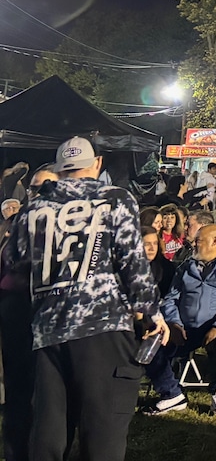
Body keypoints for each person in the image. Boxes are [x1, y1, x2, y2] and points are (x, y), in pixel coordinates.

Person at [10, 138, 166, 461]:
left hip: (48, 332)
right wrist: (150, 313)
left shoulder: (34, 208)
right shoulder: (115, 200)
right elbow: (133, 263)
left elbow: (13, 260)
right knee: (103, 435)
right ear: (97, 164)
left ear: (57, 169)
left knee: (49, 435)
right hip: (103, 328)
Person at [145, 224, 216, 415]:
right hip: (188, 325)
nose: (193, 244)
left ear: (215, 241)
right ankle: (171, 394)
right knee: (152, 342)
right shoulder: (187, 266)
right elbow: (171, 298)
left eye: (198, 241)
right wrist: (174, 323)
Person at [0, 163, 59, 461]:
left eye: (45, 187)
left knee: (50, 401)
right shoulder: (18, 221)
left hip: (54, 318)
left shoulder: (71, 226)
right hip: (17, 312)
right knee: (18, 397)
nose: (37, 194)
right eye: (34, 188)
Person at [141, 225, 177, 297]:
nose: (152, 248)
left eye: (155, 243)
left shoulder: (167, 268)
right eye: (147, 244)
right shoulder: (127, 268)